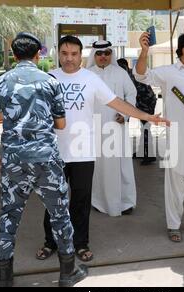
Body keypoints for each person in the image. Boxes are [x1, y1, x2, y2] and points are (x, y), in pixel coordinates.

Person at [36, 36, 169, 262]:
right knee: (53, 201)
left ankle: (80, 243)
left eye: (74, 54)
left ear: (80, 55)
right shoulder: (49, 79)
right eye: (65, 54)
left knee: (80, 201)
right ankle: (51, 242)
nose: (69, 59)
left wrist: (146, 116)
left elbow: (118, 102)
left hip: (84, 152)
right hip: (54, 152)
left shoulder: (91, 79)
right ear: (58, 54)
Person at [0, 32, 88, 287]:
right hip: (46, 160)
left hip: (15, 160)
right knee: (60, 214)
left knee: (9, 215)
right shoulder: (50, 82)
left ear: (14, 55)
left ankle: (4, 279)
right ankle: (67, 273)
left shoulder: (0, 83)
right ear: (38, 54)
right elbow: (61, 124)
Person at [134, 31, 184, 243]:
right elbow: (141, 75)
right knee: (175, 187)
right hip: (177, 139)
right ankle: (173, 225)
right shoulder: (168, 72)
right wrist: (144, 52)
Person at [86, 41, 137, 217]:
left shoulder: (121, 73)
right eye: (99, 54)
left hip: (117, 127)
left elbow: (131, 94)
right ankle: (98, 201)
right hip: (95, 129)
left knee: (122, 166)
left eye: (107, 53)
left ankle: (125, 202)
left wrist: (126, 114)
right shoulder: (87, 74)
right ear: (94, 55)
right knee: (98, 168)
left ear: (111, 55)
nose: (103, 57)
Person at [117, 58, 158, 165]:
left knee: (145, 128)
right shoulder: (127, 74)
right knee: (143, 127)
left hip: (146, 101)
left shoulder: (129, 75)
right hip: (141, 101)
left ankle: (149, 155)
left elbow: (129, 95)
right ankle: (141, 152)